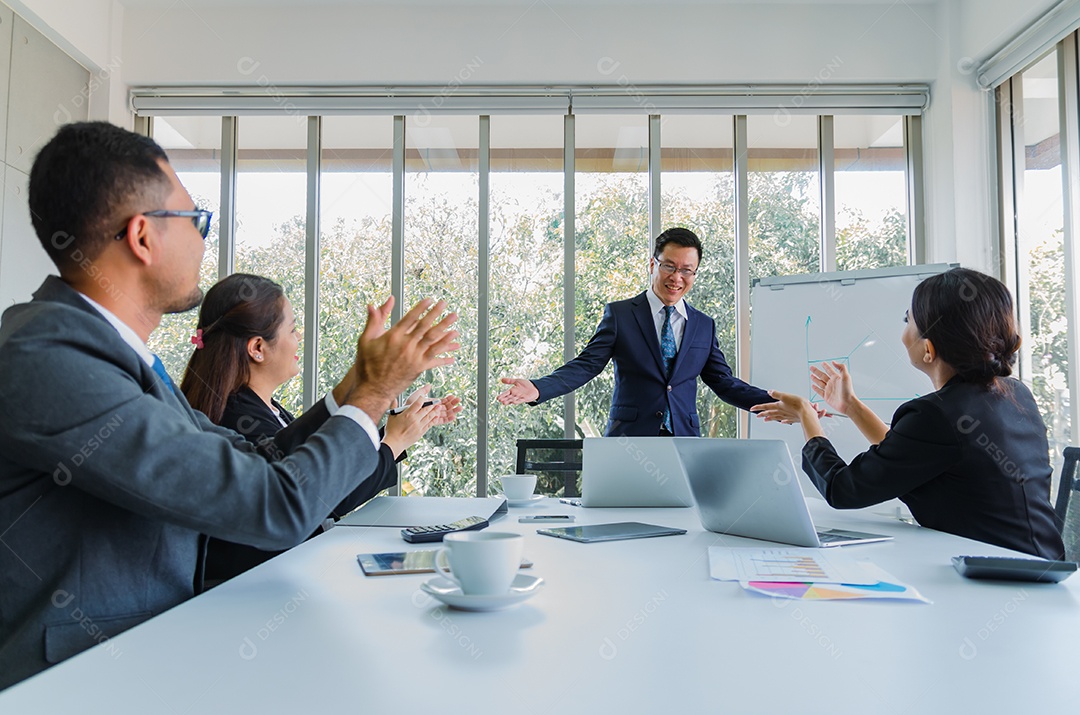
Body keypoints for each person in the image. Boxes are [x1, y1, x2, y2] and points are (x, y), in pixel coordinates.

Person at [0, 121, 459, 690]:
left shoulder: (110, 356)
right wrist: (372, 395)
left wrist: (359, 388)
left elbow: (259, 463)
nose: (202, 241)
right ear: (142, 237)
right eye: (195, 220)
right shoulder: (53, 362)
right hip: (76, 684)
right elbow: (276, 505)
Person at [751, 267, 1064, 559]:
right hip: (1042, 565)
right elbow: (907, 454)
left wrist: (806, 416)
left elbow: (841, 489)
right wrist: (851, 406)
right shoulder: (1016, 394)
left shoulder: (935, 415)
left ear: (928, 349)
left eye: (907, 320)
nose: (903, 332)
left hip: (1001, 576)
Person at [180, 273, 462, 582]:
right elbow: (321, 492)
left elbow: (316, 459)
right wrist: (393, 440)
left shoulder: (265, 408)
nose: (299, 337)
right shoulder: (237, 416)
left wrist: (391, 423)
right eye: (292, 329)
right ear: (258, 347)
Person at [497, 227, 771, 436]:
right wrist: (538, 388)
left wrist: (774, 402)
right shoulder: (621, 315)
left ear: (694, 274)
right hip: (629, 438)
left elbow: (723, 382)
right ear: (653, 265)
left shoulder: (703, 325)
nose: (676, 277)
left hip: (684, 439)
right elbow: (586, 365)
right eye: (669, 266)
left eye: (687, 270)